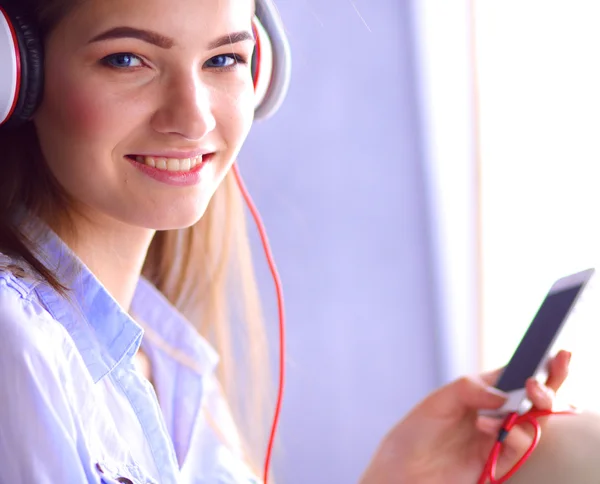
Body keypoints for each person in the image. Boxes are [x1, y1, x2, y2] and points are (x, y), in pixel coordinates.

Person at [0, 0, 572, 482]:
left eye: (223, 59)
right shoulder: (16, 346)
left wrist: (397, 473)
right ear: (17, 74)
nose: (193, 117)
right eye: (127, 59)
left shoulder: (162, 358)